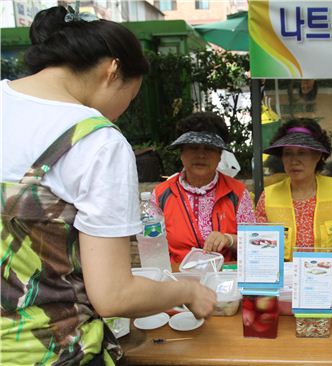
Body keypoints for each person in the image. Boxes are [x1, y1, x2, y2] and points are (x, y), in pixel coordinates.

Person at [1, 6, 216, 365]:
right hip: (51, 352)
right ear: (112, 69)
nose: (117, 115)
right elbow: (114, 294)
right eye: (128, 100)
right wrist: (188, 291)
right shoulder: (95, 140)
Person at [153, 112, 255, 264]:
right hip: (177, 281)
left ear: (220, 155)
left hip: (225, 279)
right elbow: (152, 248)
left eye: (209, 148)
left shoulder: (238, 193)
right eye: (193, 147)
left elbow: (255, 243)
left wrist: (229, 239)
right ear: (181, 153)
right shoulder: (161, 194)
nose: (201, 155)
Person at [255, 118, 332, 260]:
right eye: (288, 153)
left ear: (317, 156)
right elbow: (258, 246)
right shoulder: (268, 196)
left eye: (302, 152)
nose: (294, 160)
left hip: (327, 274)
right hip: (284, 278)